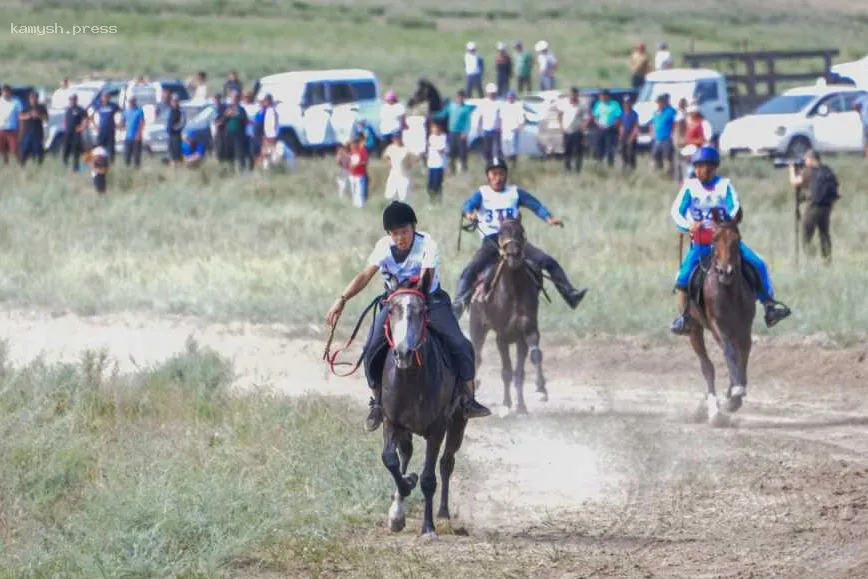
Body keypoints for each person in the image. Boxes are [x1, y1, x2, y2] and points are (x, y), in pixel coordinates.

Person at [325, 201, 491, 432]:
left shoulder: (427, 245)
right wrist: (342, 299)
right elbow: (365, 275)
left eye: (405, 231)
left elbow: (426, 278)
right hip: (396, 304)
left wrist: (412, 298)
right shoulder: (383, 247)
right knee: (371, 347)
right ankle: (377, 403)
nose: (400, 238)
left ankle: (468, 399)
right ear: (388, 234)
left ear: (414, 228)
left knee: (461, 344)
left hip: (429, 301)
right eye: (395, 233)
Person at [670, 146, 791, 335]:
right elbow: (676, 211)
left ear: (715, 168)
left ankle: (769, 305)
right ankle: (684, 317)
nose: (702, 171)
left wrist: (725, 221)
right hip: (701, 244)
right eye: (699, 167)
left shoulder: (724, 185)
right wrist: (689, 225)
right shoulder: (689, 187)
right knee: (682, 277)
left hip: (725, 241)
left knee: (758, 263)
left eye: (707, 167)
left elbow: (734, 205)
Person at [451, 157, 588, 317]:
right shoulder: (482, 193)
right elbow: (468, 205)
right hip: (492, 241)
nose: (498, 177)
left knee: (548, 261)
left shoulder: (515, 193)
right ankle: (459, 305)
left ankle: (570, 295)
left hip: (515, 241)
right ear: (488, 176)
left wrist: (548, 218)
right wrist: (470, 213)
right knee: (471, 269)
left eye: (501, 173)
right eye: (494, 174)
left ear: (506, 175)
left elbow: (535, 205)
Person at [789, 150, 838, 263]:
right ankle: (827, 259)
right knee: (824, 234)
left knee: (806, 236)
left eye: (806, 159)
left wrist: (792, 171)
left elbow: (795, 182)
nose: (805, 162)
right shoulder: (827, 170)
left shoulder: (808, 171)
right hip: (826, 208)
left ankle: (810, 259)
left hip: (813, 207)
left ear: (812, 159)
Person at [382, 133, 414, 202]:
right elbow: (385, 156)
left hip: (404, 175)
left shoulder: (406, 149)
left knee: (403, 197)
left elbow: (411, 162)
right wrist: (389, 161)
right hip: (394, 174)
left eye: (398, 138)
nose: (396, 139)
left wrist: (407, 165)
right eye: (395, 138)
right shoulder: (390, 148)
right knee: (389, 195)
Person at [426, 122, 447, 200]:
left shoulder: (443, 137)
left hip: (439, 165)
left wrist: (435, 145)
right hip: (431, 164)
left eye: (435, 128)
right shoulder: (431, 137)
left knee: (437, 184)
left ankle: (438, 200)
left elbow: (441, 150)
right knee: (430, 185)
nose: (434, 130)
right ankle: (431, 200)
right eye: (433, 128)